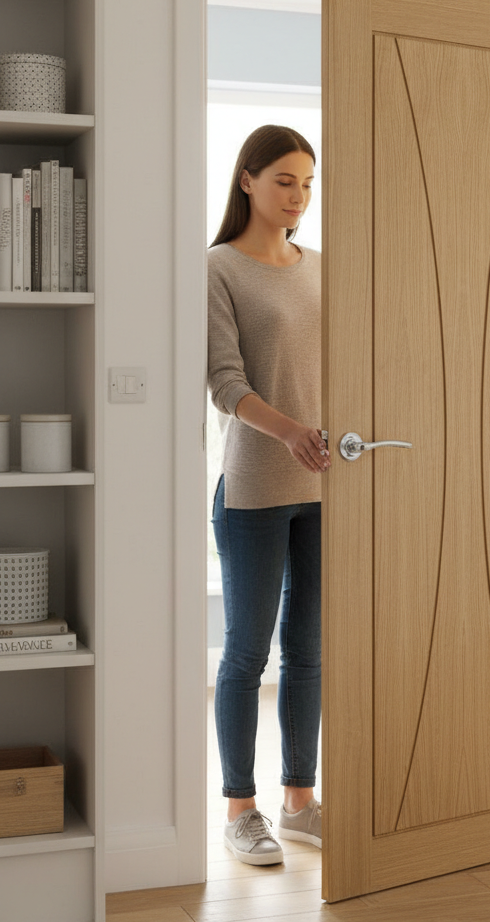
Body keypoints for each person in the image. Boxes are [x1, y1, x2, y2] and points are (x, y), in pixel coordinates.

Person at [207, 124, 329, 866]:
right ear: (248, 180)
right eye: (285, 180)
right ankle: (239, 809)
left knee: (309, 652)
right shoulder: (221, 267)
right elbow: (227, 384)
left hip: (324, 484)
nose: (298, 197)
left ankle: (300, 802)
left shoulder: (320, 267)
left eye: (309, 184)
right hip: (254, 487)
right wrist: (291, 432)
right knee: (246, 655)